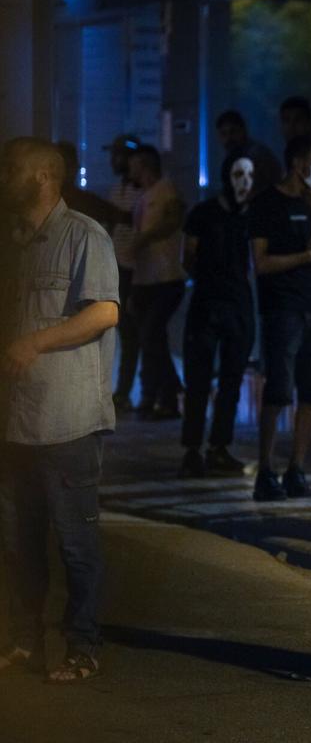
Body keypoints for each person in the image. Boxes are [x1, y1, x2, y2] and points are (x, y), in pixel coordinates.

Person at [0, 137, 120, 683]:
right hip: (21, 422)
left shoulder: (84, 236)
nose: (6, 177)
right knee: (22, 543)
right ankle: (26, 641)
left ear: (46, 175)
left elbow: (103, 314)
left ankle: (83, 646)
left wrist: (35, 343)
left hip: (68, 419)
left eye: (14, 169)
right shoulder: (18, 241)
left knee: (76, 542)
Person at [247, 135, 311, 501]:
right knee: (280, 391)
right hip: (282, 309)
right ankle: (265, 469)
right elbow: (262, 262)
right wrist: (304, 257)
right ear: (297, 163)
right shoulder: (267, 203)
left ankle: (296, 469)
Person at [178, 152, 257, 480]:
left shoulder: (250, 216)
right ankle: (193, 449)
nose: (245, 184)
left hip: (237, 306)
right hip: (208, 306)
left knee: (231, 382)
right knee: (199, 381)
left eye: (250, 177)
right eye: (239, 175)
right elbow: (188, 256)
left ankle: (217, 447)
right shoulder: (204, 213)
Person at [127, 145, 186, 420]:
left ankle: (171, 390)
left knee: (151, 335)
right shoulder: (143, 196)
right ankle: (164, 397)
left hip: (166, 277)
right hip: (145, 278)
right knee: (152, 338)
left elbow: (175, 219)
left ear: (145, 164)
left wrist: (145, 238)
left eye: (134, 164)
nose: (130, 169)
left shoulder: (166, 190)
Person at [105, 133, 142, 412]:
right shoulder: (118, 187)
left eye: (118, 154)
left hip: (134, 268)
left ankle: (126, 391)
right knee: (124, 331)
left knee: (132, 332)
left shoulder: (141, 190)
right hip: (118, 266)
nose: (113, 160)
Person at [215, 109, 282, 197]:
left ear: (243, 131)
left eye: (233, 132)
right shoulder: (232, 157)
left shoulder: (257, 155)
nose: (229, 138)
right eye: (224, 134)